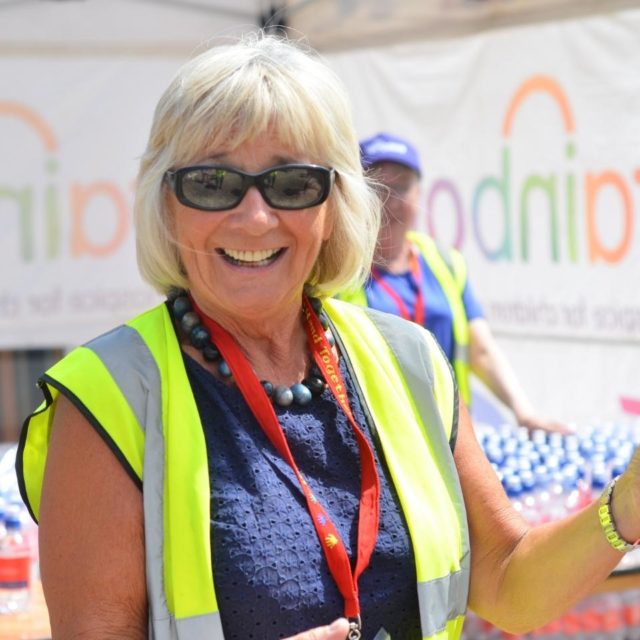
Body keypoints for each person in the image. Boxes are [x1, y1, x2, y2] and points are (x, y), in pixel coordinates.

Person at [15, 34, 640, 640]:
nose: (255, 217)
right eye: (212, 183)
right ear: (166, 203)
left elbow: (506, 580)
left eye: (291, 184)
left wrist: (628, 504)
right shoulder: (106, 398)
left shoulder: (410, 361)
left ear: (334, 205)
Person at [340, 131, 566, 433]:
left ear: (419, 193)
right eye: (380, 188)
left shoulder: (443, 262)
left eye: (403, 188)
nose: (391, 202)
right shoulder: (339, 268)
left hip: (451, 433)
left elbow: (480, 350)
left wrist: (523, 412)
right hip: (380, 435)